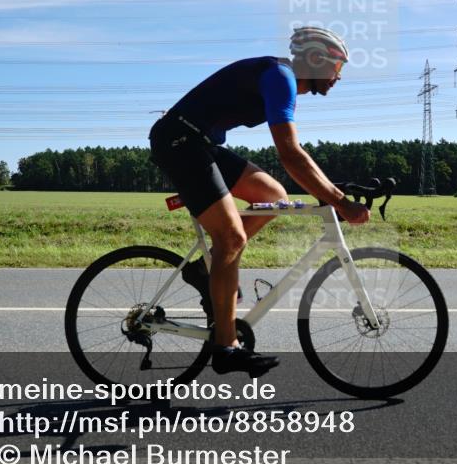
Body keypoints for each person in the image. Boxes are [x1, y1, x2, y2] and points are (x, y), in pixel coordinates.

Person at [149, 26, 371, 376]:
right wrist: (339, 201)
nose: (338, 77)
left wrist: (330, 189)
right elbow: (291, 155)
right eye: (337, 67)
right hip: (179, 141)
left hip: (199, 143)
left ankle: (209, 270)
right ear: (315, 60)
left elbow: (294, 160)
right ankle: (225, 347)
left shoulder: (280, 78)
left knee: (275, 197)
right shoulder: (279, 77)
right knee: (232, 237)